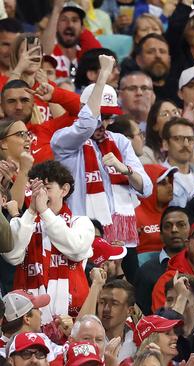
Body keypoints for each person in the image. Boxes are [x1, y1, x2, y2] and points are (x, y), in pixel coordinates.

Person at [50, 56, 152, 280]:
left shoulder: (120, 141)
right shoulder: (64, 140)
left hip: (122, 238)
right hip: (84, 237)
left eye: (109, 117)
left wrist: (124, 169)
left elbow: (146, 187)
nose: (103, 124)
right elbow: (86, 124)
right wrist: (104, 73)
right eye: (100, 116)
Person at [2, 160, 94, 325]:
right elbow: (13, 256)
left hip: (72, 321)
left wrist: (44, 212)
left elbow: (75, 249)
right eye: (35, 189)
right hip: (29, 320)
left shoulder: (80, 222)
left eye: (47, 188)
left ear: (64, 190)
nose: (40, 194)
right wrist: (31, 211)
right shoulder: (24, 223)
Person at [135, 206, 191, 316]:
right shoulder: (146, 271)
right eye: (168, 226)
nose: (174, 230)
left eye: (181, 225)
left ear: (191, 230)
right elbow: (143, 316)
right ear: (160, 234)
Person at [45, 1, 102, 79]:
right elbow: (43, 52)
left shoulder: (85, 53)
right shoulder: (50, 52)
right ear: (56, 25)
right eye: (64, 20)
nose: (70, 25)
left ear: (82, 28)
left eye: (74, 20)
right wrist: (56, 10)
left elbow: (99, 55)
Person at [136, 165, 177, 264]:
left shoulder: (175, 214)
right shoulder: (134, 215)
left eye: (170, 181)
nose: (170, 186)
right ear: (149, 185)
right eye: (163, 183)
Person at [161, 118, 194, 207]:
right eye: (178, 139)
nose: (186, 144)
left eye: (190, 139)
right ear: (165, 144)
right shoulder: (160, 178)